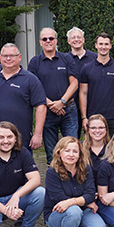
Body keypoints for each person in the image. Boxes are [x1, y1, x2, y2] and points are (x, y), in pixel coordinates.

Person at [0, 43, 47, 155]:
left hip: (21, 141)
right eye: (5, 56)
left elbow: (41, 107)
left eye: (12, 56)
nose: (8, 59)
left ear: (19, 57)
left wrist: (38, 134)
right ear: (0, 57)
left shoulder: (31, 80)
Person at [44, 136, 107, 227]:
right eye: (67, 150)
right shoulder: (52, 172)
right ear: (59, 153)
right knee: (73, 211)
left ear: (80, 154)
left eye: (75, 151)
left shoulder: (86, 168)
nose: (71, 154)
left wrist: (76, 201)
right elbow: (59, 198)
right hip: (57, 213)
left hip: (82, 210)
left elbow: (91, 193)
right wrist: (84, 202)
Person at [28, 27, 79, 163]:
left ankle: (72, 176)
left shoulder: (67, 58)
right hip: (47, 112)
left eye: (51, 38)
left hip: (68, 110)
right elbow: (33, 88)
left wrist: (61, 102)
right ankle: (54, 176)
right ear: (40, 42)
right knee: (52, 153)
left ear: (56, 41)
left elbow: (74, 83)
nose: (48, 41)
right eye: (44, 39)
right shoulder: (35, 62)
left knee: (72, 147)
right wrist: (51, 105)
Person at [79, 33, 114, 134]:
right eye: (101, 44)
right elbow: (83, 93)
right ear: (96, 45)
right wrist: (84, 117)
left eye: (106, 44)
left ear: (110, 46)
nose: (103, 47)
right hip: (93, 117)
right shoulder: (86, 69)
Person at [83, 114, 110, 181]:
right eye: (93, 128)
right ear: (88, 130)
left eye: (101, 128)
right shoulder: (80, 148)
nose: (97, 131)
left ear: (106, 129)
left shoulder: (113, 148)